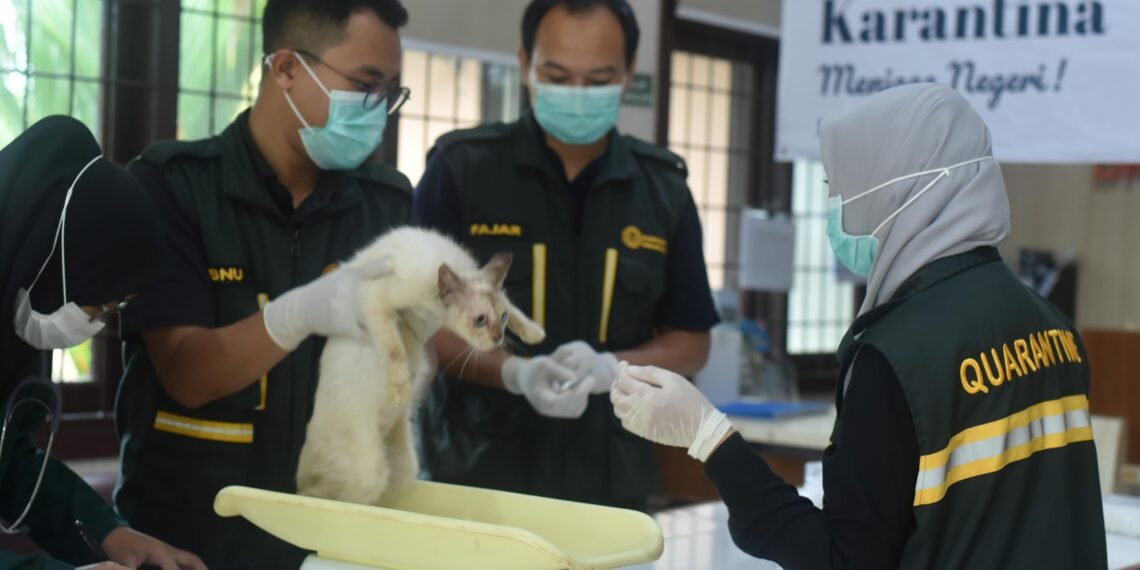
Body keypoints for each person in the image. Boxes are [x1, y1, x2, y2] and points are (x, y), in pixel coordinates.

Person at [611, 83, 1108, 569]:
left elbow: (842, 558)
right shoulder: (1054, 326)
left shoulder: (897, 355)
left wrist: (710, 437)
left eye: (836, 187)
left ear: (891, 194)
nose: (833, 209)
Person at [113, 1, 413, 567]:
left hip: (329, 539)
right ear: (285, 69)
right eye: (366, 86)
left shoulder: (384, 204)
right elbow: (186, 373)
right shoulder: (175, 188)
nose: (381, 109)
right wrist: (294, 316)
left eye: (391, 92)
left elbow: (416, 350)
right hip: (188, 535)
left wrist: (515, 367)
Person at [414, 0, 719, 509]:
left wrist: (611, 368)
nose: (577, 94)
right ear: (525, 65)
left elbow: (691, 341)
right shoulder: (463, 170)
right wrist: (515, 373)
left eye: (598, 79)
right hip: (480, 474)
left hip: (611, 480)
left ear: (627, 76)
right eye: (557, 75)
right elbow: (421, 321)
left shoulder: (661, 190)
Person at [0, 116, 206, 569]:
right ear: (51, 262)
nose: (97, 323)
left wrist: (107, 531)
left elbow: (7, 465)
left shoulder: (12, 313)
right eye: (101, 306)